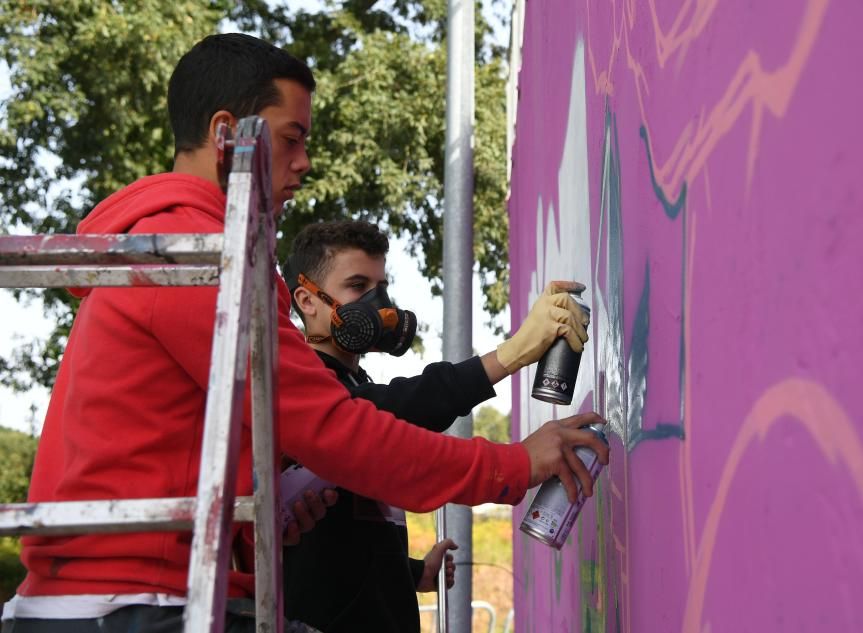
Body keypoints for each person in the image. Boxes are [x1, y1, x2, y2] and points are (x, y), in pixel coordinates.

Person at [0, 33, 607, 632]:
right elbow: (337, 427)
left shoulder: (180, 250)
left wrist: (257, 522)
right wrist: (516, 462)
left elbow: (177, 453)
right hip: (128, 607)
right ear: (224, 136)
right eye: (292, 138)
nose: (305, 163)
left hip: (132, 597)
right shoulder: (196, 257)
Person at [278, 221, 589, 632]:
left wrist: (412, 573)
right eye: (357, 285)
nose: (378, 301)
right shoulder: (300, 392)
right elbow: (390, 408)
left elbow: (348, 538)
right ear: (307, 301)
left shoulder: (359, 383)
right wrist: (510, 354)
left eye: (381, 285)